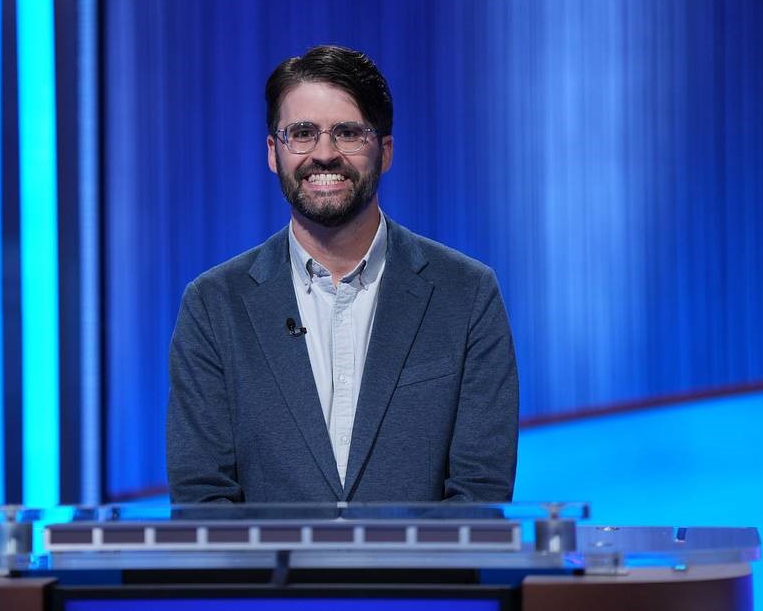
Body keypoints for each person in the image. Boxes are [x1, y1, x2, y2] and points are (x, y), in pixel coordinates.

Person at [166, 45, 518, 504]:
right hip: (270, 577)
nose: (325, 154)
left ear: (385, 151)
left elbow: (481, 491)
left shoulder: (467, 294)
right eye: (303, 133)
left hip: (419, 576)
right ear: (274, 152)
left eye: (348, 133)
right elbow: (201, 494)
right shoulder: (214, 304)